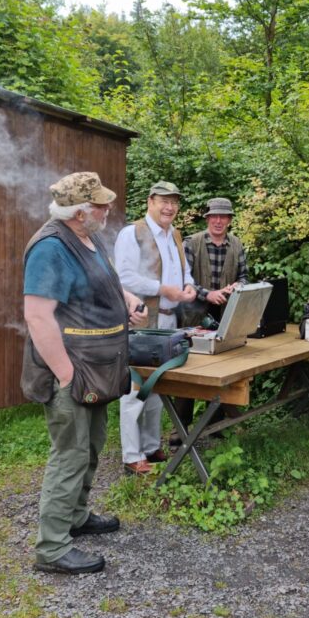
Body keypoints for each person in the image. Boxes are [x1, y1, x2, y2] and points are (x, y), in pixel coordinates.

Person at [22, 172, 148, 575]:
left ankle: (76, 517)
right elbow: (38, 317)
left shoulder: (88, 240)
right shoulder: (51, 247)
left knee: (91, 447)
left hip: (96, 369)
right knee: (71, 454)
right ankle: (53, 547)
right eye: (100, 205)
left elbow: (107, 282)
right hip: (71, 372)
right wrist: (63, 374)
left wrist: (127, 300)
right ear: (79, 212)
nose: (108, 210)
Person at [114, 180, 197, 474]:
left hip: (169, 320)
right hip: (143, 321)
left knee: (158, 387)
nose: (170, 207)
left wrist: (188, 286)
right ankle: (131, 455)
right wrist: (164, 290)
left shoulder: (174, 234)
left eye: (174, 202)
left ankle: (150, 447)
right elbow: (123, 278)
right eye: (164, 201)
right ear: (150, 201)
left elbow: (185, 270)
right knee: (136, 388)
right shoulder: (132, 233)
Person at [172, 196, 250, 441]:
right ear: (207, 218)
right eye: (214, 216)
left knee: (222, 370)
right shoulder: (191, 243)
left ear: (229, 220)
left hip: (225, 314)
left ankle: (214, 426)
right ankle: (179, 428)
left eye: (223, 216)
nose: (218, 221)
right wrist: (209, 294)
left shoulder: (237, 245)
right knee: (188, 369)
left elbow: (246, 276)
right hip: (193, 315)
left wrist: (237, 286)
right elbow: (184, 280)